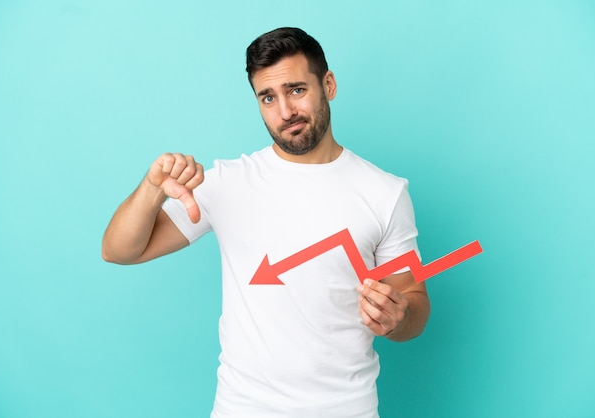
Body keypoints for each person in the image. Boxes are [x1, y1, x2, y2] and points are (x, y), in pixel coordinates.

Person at [102, 27, 430, 418]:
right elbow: (119, 251)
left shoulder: (384, 192)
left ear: (328, 84)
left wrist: (399, 317)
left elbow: (415, 303)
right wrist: (151, 188)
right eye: (268, 98)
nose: (284, 112)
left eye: (296, 90)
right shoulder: (225, 183)